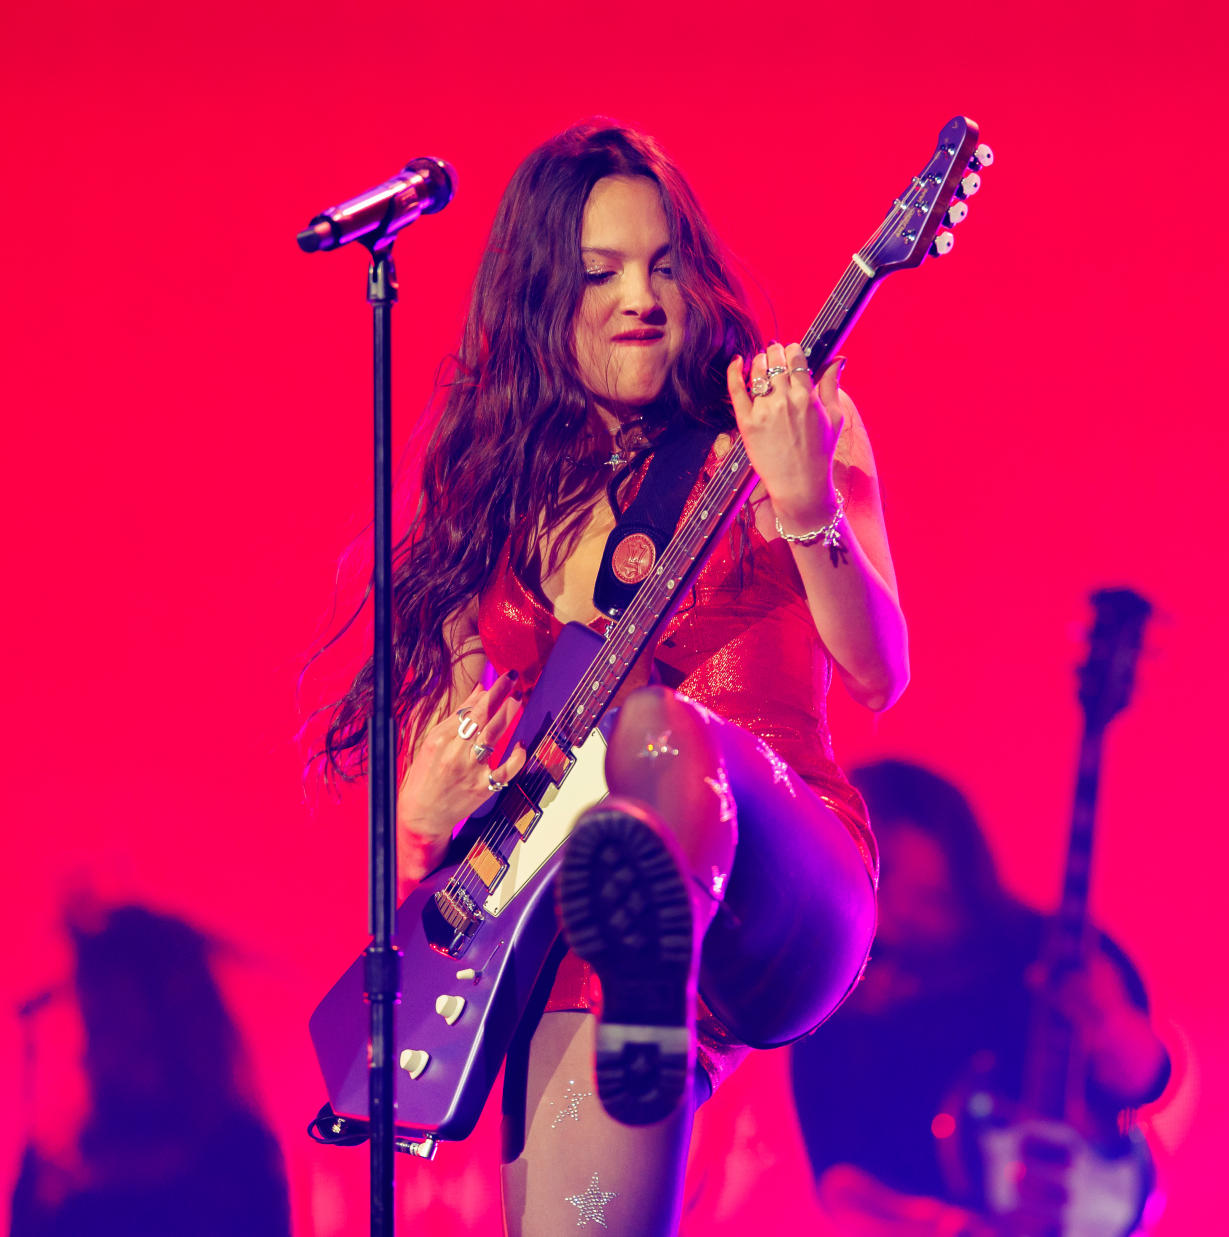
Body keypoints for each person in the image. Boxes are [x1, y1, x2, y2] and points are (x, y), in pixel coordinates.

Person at [323, 119, 909, 1235]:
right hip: (596, 931)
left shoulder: (781, 423)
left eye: (664, 263)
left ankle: (652, 965)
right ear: (544, 295)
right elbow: (488, 825)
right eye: (601, 273)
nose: (641, 295)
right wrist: (416, 825)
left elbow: (881, 672)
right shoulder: (500, 531)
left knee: (656, 730)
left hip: (783, 878)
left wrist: (806, 505)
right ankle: (643, 1005)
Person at [791, 760, 1171, 1236]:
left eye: (932, 897)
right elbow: (841, 1187)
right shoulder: (834, 1002)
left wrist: (1111, 1022)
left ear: (963, 868)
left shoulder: (1057, 949)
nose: (905, 918)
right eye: (884, 895)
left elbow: (1144, 1084)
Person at [10, 906, 291, 1237]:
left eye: (108, 1025)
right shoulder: (61, 1175)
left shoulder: (236, 1166)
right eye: (93, 1026)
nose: (91, 1053)